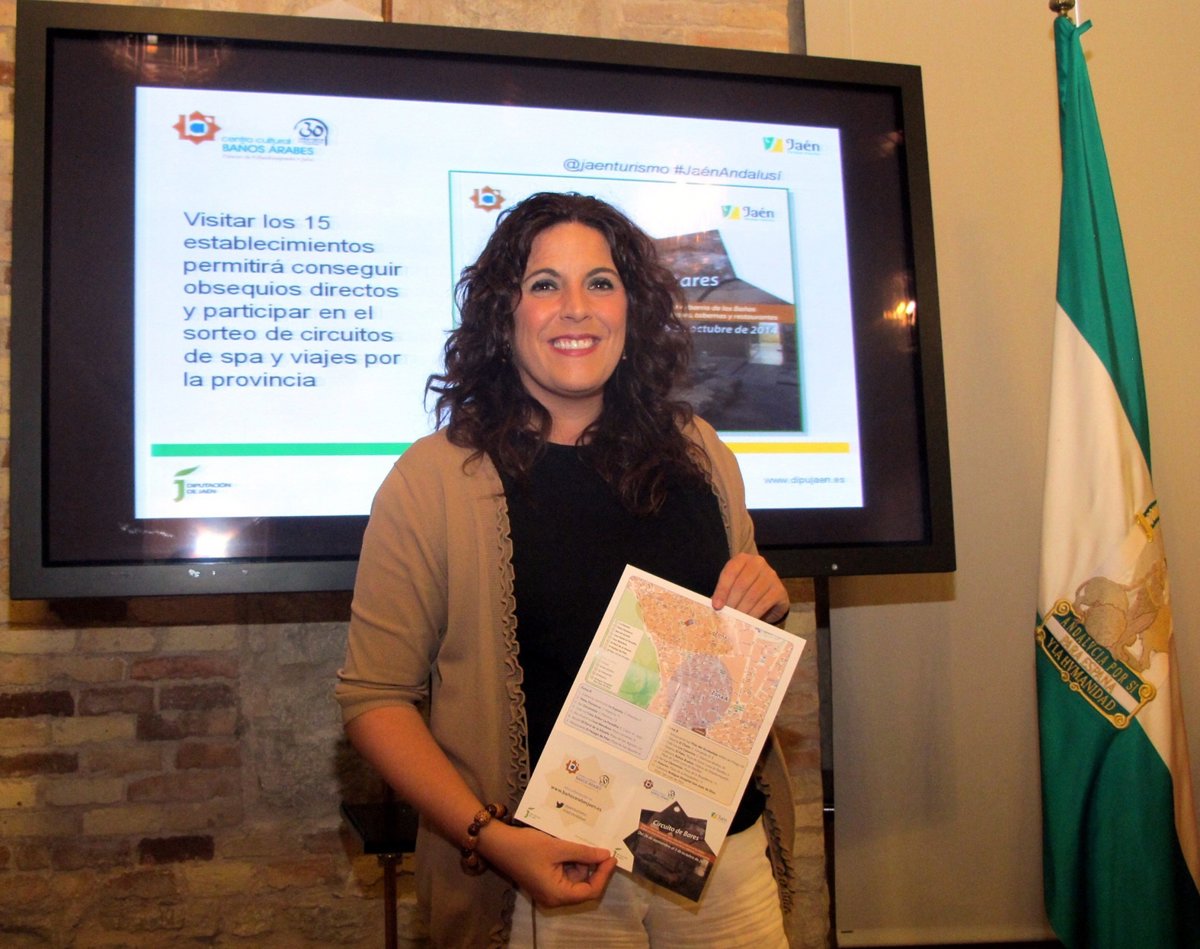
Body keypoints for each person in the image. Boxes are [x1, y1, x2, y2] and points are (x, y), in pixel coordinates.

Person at [336, 193, 797, 948]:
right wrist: (490, 836)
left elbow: (734, 638)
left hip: (721, 859)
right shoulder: (433, 481)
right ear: (504, 314)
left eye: (601, 283)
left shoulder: (703, 451)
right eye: (545, 284)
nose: (575, 307)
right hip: (545, 876)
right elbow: (375, 700)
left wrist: (762, 599)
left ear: (631, 309)